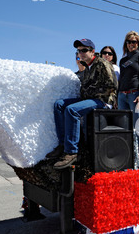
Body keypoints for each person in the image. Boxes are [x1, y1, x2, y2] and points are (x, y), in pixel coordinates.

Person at [47, 38, 117, 169]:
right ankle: (63, 145)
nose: (81, 53)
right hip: (89, 99)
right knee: (59, 104)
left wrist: (91, 92)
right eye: (79, 51)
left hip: (102, 100)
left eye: (84, 50)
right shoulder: (87, 67)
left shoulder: (102, 64)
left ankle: (72, 152)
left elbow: (112, 85)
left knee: (71, 110)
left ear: (93, 51)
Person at [118, 31, 139, 168]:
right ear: (126, 44)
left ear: (138, 43)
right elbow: (121, 79)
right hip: (122, 96)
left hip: (135, 95)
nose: (131, 44)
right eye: (129, 42)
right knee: (124, 129)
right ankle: (127, 159)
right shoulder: (122, 60)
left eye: (134, 42)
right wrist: (117, 95)